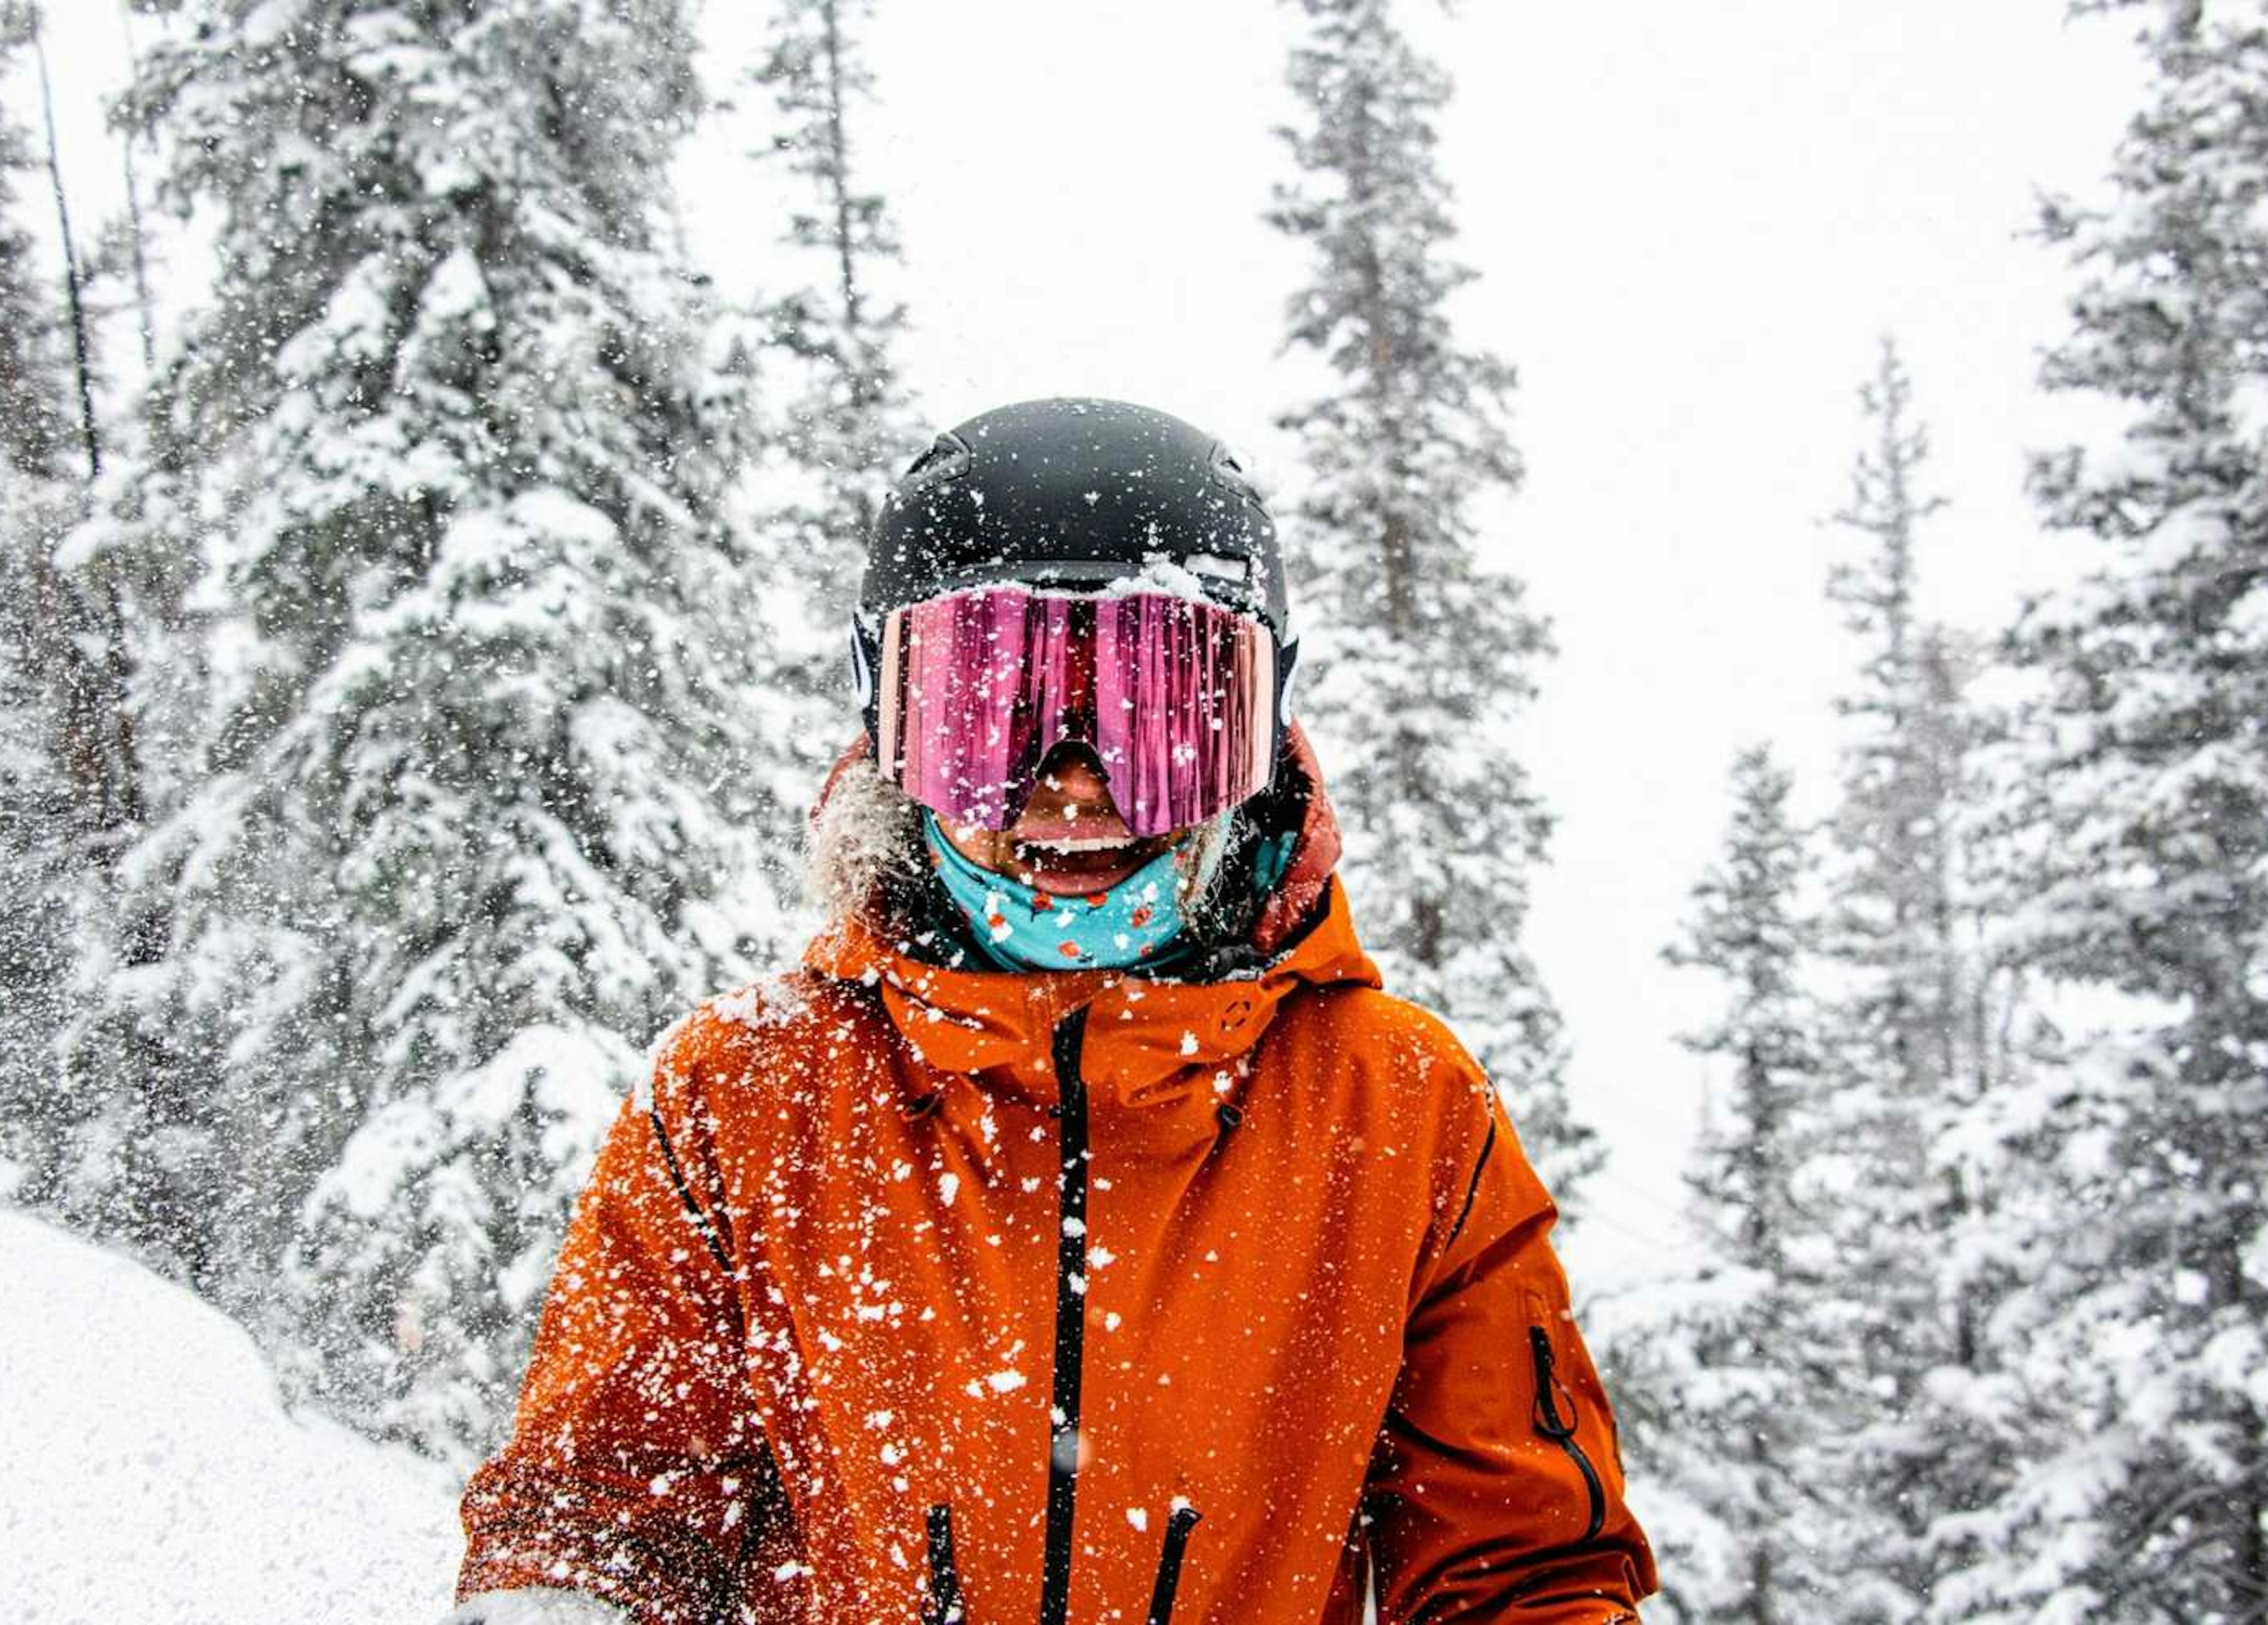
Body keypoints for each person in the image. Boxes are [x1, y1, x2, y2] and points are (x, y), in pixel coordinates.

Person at [445, 399, 1657, 1624]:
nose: (1073, 786)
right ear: (887, 724)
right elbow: (599, 1527)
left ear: (1257, 735)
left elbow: (1520, 1574)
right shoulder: (747, 1096)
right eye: (988, 710)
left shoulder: (1394, 1108)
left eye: (1160, 714)